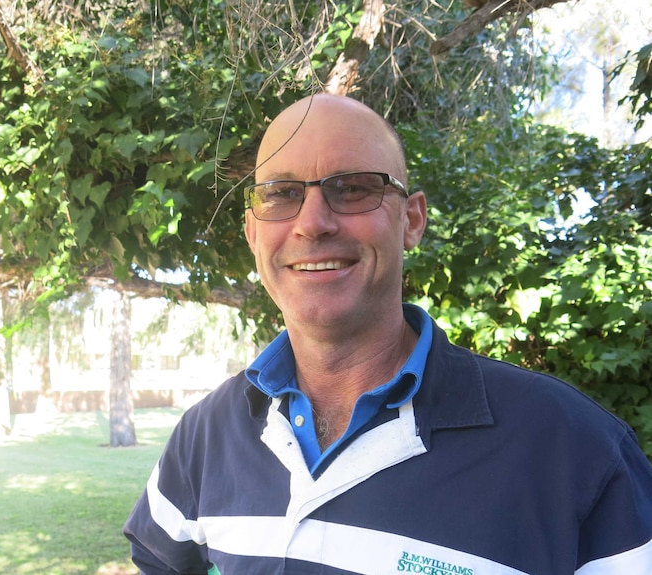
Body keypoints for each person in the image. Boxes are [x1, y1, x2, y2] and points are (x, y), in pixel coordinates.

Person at [123, 93, 652, 574]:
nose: (312, 223)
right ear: (253, 232)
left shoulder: (577, 453)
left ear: (412, 220)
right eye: (282, 193)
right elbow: (155, 557)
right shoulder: (208, 433)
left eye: (352, 188)